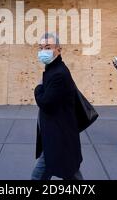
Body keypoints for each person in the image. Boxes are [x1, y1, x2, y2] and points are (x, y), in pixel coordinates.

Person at [32, 33, 83, 180]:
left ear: (59, 50)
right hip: (57, 133)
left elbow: (45, 103)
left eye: (48, 47)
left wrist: (38, 88)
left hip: (58, 135)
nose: (43, 51)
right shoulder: (52, 69)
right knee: (70, 171)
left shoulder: (58, 74)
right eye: (41, 48)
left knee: (39, 176)